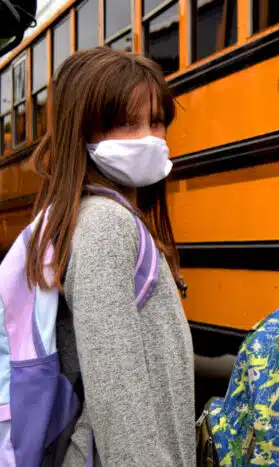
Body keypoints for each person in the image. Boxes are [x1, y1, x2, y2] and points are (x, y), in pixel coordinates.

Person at [26, 47, 195, 466]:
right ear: (81, 132)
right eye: (125, 124)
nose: (148, 138)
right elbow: (119, 395)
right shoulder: (105, 224)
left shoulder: (102, 216)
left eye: (156, 122)